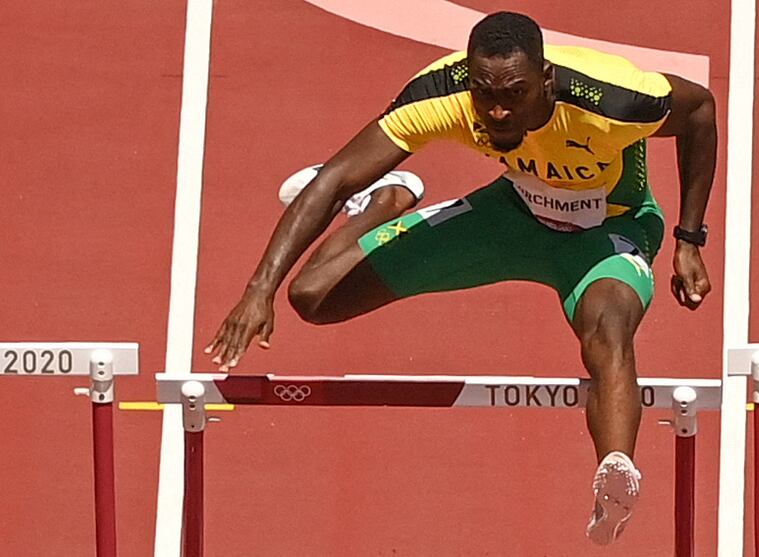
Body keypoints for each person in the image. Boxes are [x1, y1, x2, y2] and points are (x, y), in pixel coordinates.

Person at [205, 11, 716, 545]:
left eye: (514, 95)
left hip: (609, 231)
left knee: (607, 329)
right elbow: (333, 177)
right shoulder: (439, 95)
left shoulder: (615, 100)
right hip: (512, 217)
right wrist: (257, 290)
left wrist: (689, 239)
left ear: (545, 81)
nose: (496, 111)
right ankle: (388, 199)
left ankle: (615, 474)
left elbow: (701, 109)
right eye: (483, 94)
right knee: (313, 297)